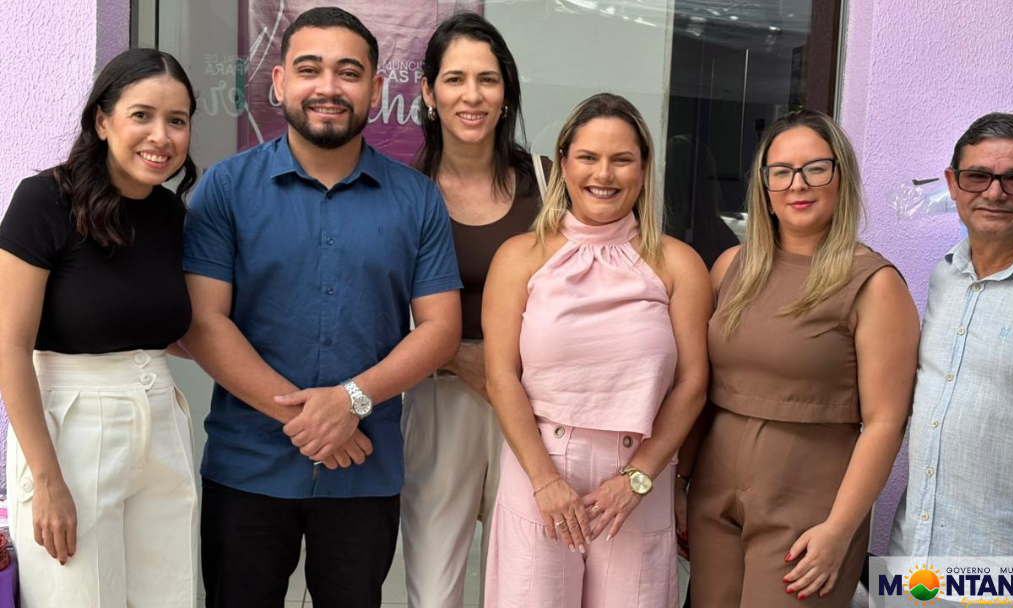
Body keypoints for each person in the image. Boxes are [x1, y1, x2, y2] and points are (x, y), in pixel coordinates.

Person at [179, 7, 462, 608]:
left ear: (376, 90)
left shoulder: (418, 198)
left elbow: (440, 329)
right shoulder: (225, 189)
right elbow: (204, 323)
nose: (328, 87)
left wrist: (351, 401)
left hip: (365, 472)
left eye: (348, 72)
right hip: (247, 467)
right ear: (280, 82)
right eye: (309, 70)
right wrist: (314, 420)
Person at [681, 109, 919, 607]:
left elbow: (885, 423)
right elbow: (699, 388)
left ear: (841, 177)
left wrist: (840, 529)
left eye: (815, 168)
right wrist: (679, 485)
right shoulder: (730, 267)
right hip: (712, 494)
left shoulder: (875, 284)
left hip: (810, 507)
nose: (798, 184)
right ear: (763, 185)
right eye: (782, 171)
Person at [482, 93, 712, 607]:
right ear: (563, 163)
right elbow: (501, 376)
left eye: (621, 159)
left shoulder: (678, 264)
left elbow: (693, 383)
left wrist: (639, 478)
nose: (603, 174)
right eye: (588, 157)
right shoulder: (519, 258)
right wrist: (544, 480)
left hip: (638, 473)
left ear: (644, 169)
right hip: (539, 466)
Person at [0, 48, 199, 607]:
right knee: (76, 595)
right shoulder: (44, 200)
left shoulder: (170, 215)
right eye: (142, 115)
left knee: (169, 594)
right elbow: (9, 346)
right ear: (103, 120)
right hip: (72, 424)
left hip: (161, 419)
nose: (161, 136)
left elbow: (160, 328)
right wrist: (47, 480)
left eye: (177, 120)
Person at [402, 12, 546, 608]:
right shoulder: (404, 190)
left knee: (527, 584)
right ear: (428, 92)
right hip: (441, 399)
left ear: (506, 92)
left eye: (487, 79)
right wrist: (459, 358)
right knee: (435, 587)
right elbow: (380, 308)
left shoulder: (549, 184)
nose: (472, 95)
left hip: (537, 406)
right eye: (455, 79)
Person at [890, 112, 1013, 561]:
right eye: (977, 176)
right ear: (953, 184)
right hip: (914, 560)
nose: (994, 193)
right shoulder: (945, 276)